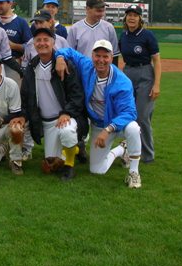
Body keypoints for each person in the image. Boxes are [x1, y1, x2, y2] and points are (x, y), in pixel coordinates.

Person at [55, 40, 143, 189]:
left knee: (133, 128)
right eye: (97, 55)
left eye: (105, 56)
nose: (101, 60)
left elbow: (129, 112)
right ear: (92, 55)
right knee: (97, 170)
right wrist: (59, 58)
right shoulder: (87, 66)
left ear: (111, 58)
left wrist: (108, 129)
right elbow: (68, 51)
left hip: (117, 125)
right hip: (98, 124)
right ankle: (122, 149)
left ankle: (134, 172)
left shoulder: (122, 81)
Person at [16, 26, 85, 181]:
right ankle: (75, 148)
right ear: (34, 44)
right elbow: (26, 95)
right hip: (46, 122)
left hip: (64, 116)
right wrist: (23, 116)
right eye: (38, 40)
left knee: (67, 133)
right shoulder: (32, 66)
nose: (42, 43)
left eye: (46, 40)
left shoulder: (64, 64)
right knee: (51, 162)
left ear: (54, 43)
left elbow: (77, 94)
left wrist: (67, 112)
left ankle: (70, 166)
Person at [119, 4, 161, 163]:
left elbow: (157, 60)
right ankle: (129, 151)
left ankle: (147, 155)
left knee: (142, 116)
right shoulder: (123, 36)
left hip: (145, 74)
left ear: (140, 18)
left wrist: (156, 84)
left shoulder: (147, 35)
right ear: (125, 17)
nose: (131, 17)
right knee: (128, 114)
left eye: (135, 15)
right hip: (128, 74)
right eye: (129, 14)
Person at [67, 0, 119, 64]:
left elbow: (114, 54)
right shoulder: (75, 28)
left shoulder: (109, 28)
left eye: (103, 11)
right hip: (82, 70)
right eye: (98, 11)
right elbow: (69, 53)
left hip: (103, 70)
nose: (102, 14)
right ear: (88, 9)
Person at [0, 0, 32, 82]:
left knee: (12, 94)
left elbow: (30, 47)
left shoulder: (20, 22)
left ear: (10, 3)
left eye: (1, 3)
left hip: (13, 65)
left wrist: (13, 45)